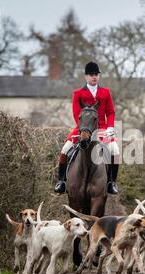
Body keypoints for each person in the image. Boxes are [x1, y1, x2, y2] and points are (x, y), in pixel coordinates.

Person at [54, 61, 119, 194]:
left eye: (96, 74)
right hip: (83, 128)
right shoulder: (78, 93)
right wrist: (84, 130)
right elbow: (76, 114)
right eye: (91, 75)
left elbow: (111, 112)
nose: (94, 77)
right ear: (86, 77)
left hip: (102, 128)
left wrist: (110, 127)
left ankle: (112, 182)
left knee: (115, 151)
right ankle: (61, 181)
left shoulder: (105, 92)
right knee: (65, 149)